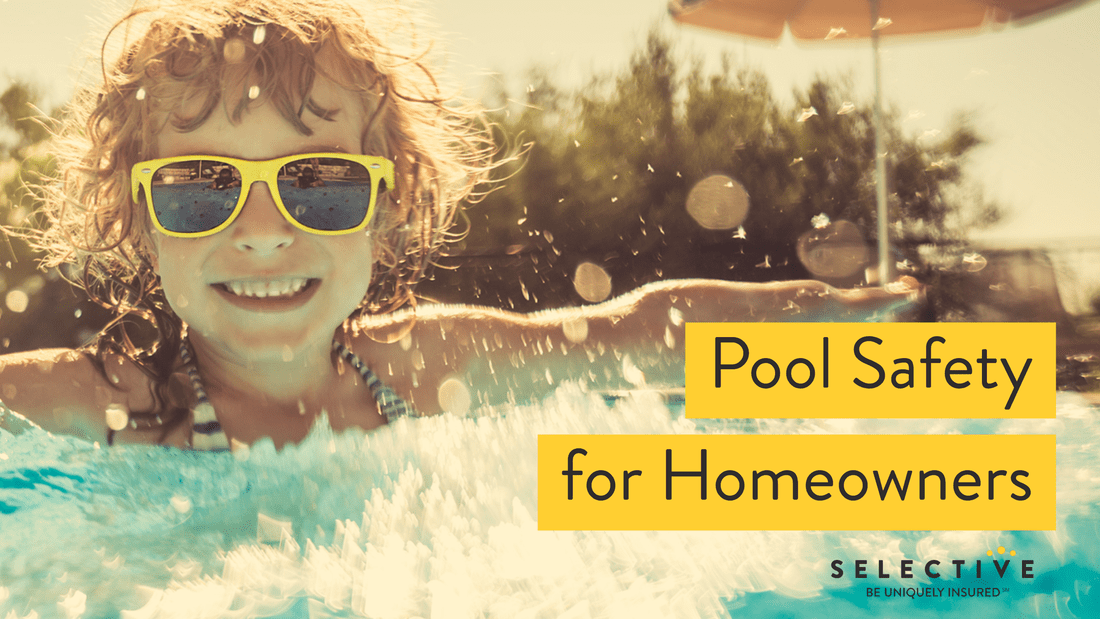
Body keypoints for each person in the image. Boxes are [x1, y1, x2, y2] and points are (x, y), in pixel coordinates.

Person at [0, 0, 919, 452]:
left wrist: (837, 324)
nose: (265, 230)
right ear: (140, 218)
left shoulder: (420, 367)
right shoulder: (102, 411)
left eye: (319, 184)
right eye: (201, 188)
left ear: (390, 202)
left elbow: (634, 333)